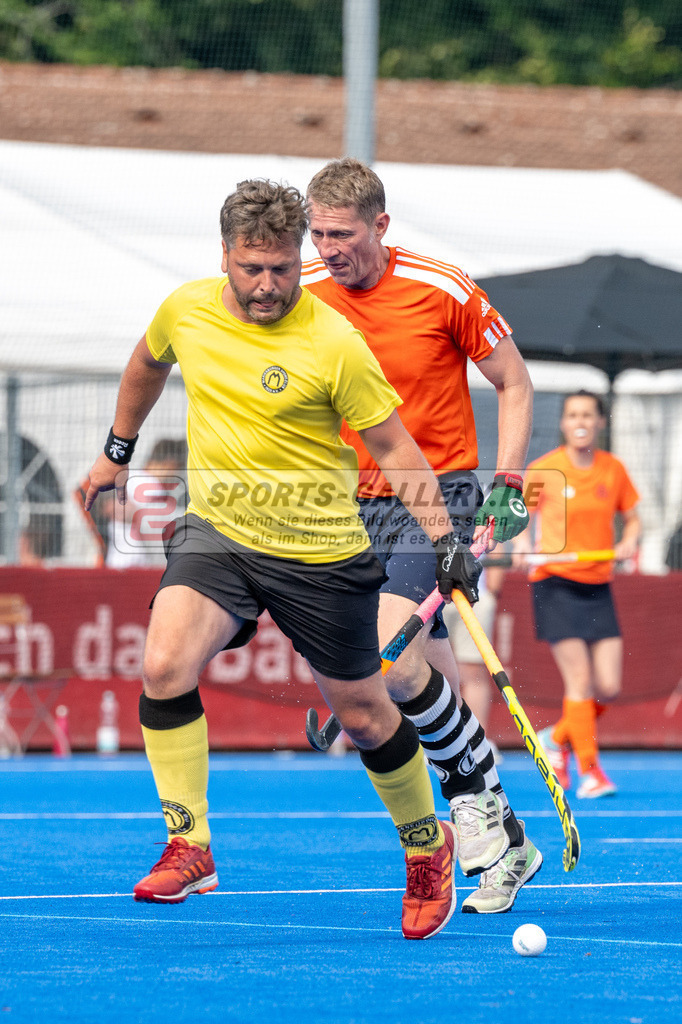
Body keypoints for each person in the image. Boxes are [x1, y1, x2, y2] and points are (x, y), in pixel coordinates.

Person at [84, 177, 485, 941]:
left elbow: (398, 451)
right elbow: (146, 364)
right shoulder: (187, 309)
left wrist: (444, 541)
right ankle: (190, 844)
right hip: (221, 535)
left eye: (280, 267)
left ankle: (426, 843)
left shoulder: (333, 341)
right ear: (225, 257)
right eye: (251, 268)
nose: (268, 285)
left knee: (367, 717)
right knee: (163, 666)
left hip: (320, 551)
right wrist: (115, 455)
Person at [302, 158, 540, 914]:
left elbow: (515, 382)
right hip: (349, 506)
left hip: (441, 497)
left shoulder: (443, 286)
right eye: (318, 232)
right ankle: (510, 837)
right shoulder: (302, 294)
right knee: (432, 687)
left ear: (380, 225)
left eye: (341, 233)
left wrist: (506, 486)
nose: (328, 247)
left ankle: (469, 802)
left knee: (396, 669)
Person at [519, 390, 641, 798]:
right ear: (564, 423)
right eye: (573, 414)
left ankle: (558, 736)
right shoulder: (544, 469)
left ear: (601, 421)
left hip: (597, 583)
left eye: (588, 414)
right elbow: (522, 516)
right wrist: (521, 546)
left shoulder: (613, 469)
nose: (580, 420)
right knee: (581, 681)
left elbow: (634, 519)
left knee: (608, 686)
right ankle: (592, 773)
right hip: (554, 582)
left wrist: (630, 542)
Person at [442, 564, 506, 763]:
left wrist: (491, 592)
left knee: (474, 674)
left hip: (474, 595)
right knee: (428, 671)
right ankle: (437, 743)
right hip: (427, 597)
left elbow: (496, 539)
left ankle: (477, 742)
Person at [103, 437, 187, 568]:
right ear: (169, 464)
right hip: (136, 565)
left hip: (116, 561)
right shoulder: (152, 487)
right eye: (179, 468)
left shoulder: (129, 478)